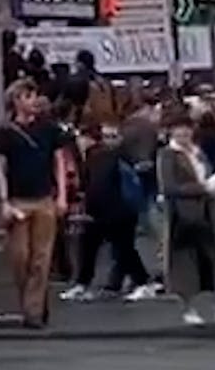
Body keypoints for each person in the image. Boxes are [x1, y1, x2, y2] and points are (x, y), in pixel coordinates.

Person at [157, 112, 215, 326]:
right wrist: (203, 188)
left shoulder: (198, 152)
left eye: (187, 128)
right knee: (186, 262)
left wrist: (214, 183)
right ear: (171, 131)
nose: (184, 132)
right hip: (183, 216)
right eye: (179, 128)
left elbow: (205, 173)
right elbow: (169, 187)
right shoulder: (167, 155)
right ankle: (189, 308)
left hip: (207, 213)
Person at [0, 84, 68, 330]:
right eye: (27, 96)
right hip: (18, 200)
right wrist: (3, 200)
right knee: (20, 256)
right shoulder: (5, 134)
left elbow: (59, 162)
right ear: (15, 101)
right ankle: (34, 298)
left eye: (34, 95)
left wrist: (62, 196)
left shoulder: (48, 129)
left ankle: (32, 311)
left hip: (44, 198)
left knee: (41, 258)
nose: (33, 100)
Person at [63, 122, 155, 303]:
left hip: (118, 210)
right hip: (105, 209)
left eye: (113, 136)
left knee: (121, 248)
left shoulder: (116, 156)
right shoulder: (105, 156)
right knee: (95, 247)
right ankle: (84, 283)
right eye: (106, 136)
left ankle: (141, 282)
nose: (109, 140)